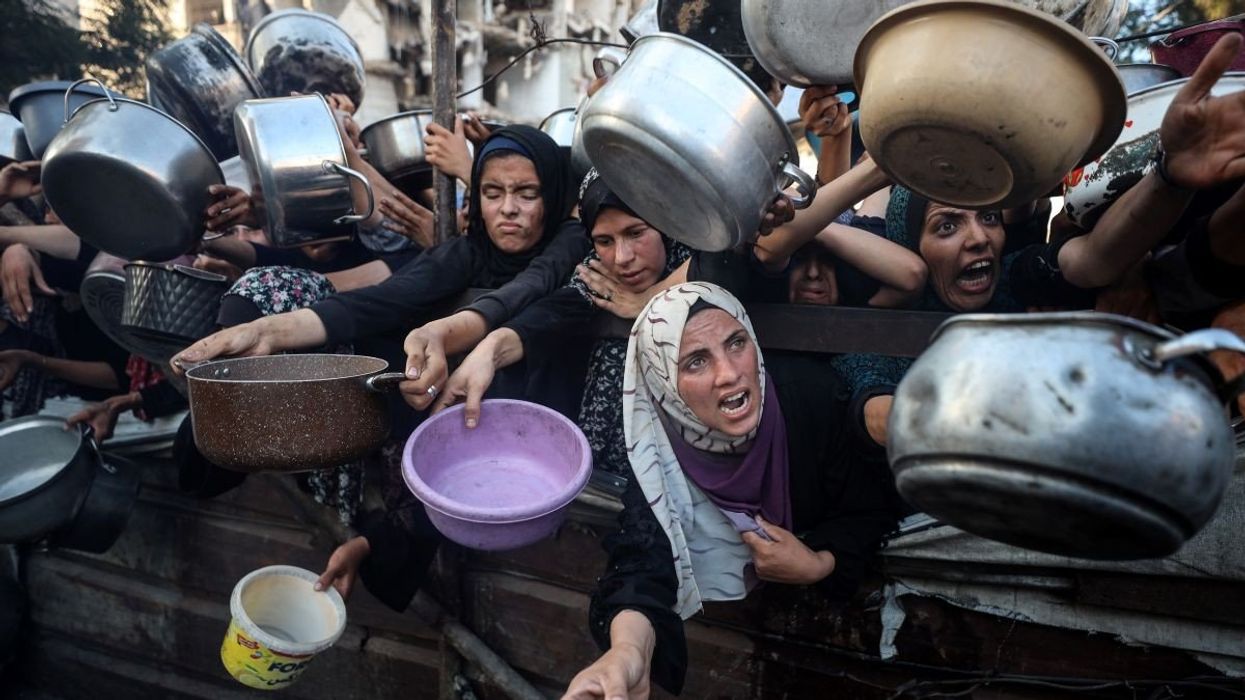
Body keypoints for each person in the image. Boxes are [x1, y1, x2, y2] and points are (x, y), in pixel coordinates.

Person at [562, 282, 899, 697]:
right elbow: (642, 555)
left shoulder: (809, 397)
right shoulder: (657, 445)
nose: (730, 373)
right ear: (665, 385)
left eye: (736, 342)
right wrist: (627, 652)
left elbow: (871, 505)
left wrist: (819, 564)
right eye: (696, 362)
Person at [425, 171, 691, 481]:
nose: (622, 258)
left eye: (636, 233)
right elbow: (554, 313)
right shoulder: (597, 273)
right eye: (604, 240)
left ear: (665, 225)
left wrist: (649, 300)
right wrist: (488, 351)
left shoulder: (702, 262)